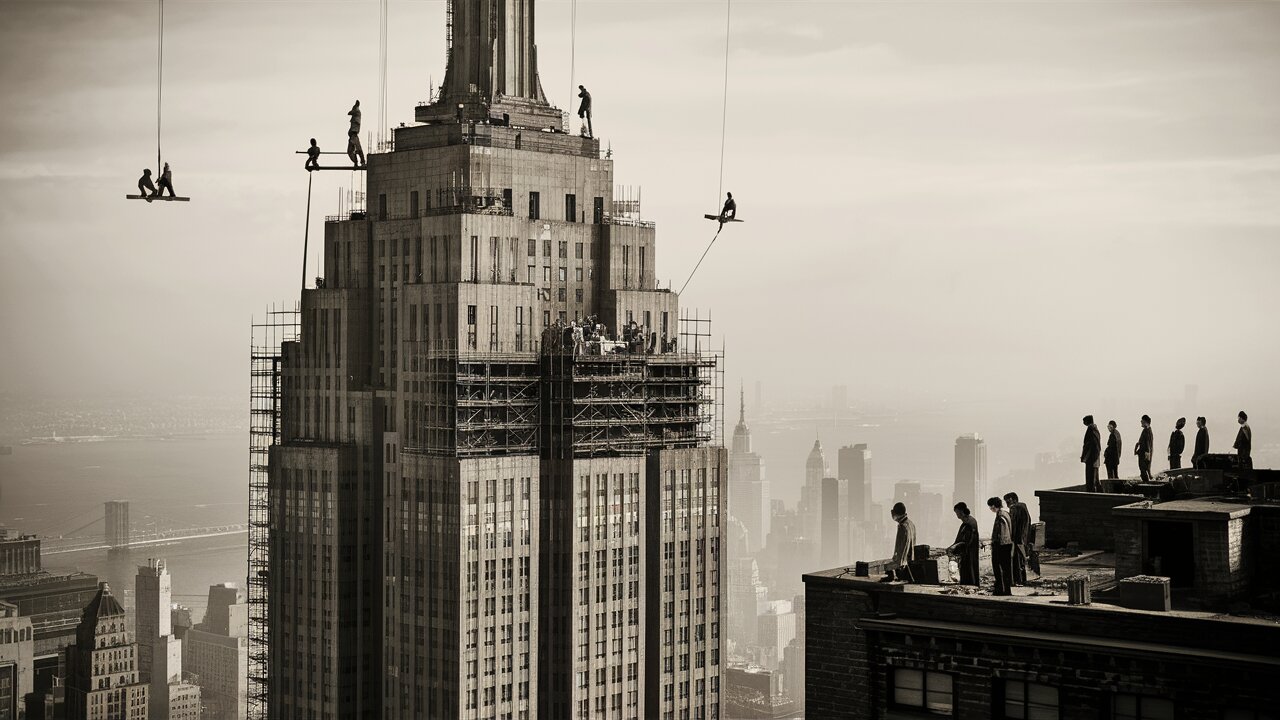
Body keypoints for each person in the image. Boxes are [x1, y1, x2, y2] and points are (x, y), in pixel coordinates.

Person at [948, 502, 980, 586]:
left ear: (961, 511)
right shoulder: (965, 523)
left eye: (957, 512)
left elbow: (968, 540)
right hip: (965, 552)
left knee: (970, 569)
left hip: (969, 551)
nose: (956, 515)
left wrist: (955, 546)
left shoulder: (970, 522)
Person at [988, 497, 1013, 596]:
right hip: (1006, 545)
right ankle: (1005, 590)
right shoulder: (1005, 513)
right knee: (1005, 569)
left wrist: (996, 544)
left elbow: (1003, 533)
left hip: (1002, 545)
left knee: (999, 568)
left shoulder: (1001, 516)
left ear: (994, 506)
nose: (990, 509)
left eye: (990, 507)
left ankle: (1001, 590)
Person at [1004, 492, 1031, 586]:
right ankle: (1022, 579)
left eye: (1007, 501)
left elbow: (1013, 524)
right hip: (1023, 538)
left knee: (1016, 560)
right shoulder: (1023, 506)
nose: (1006, 503)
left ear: (1012, 499)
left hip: (1016, 538)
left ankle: (1017, 580)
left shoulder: (1015, 508)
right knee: (1021, 559)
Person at [886, 502, 916, 583]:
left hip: (904, 568)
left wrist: (892, 566)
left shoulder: (903, 527)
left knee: (886, 567)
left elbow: (902, 551)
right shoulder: (910, 523)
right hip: (911, 564)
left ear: (895, 513)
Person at [1080, 415, 1102, 492]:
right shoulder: (1095, 429)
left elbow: (1088, 445)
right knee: (1095, 476)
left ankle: (1091, 491)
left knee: (1090, 476)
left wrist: (1084, 456)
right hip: (1095, 456)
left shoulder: (1090, 429)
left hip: (1091, 457)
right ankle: (1097, 490)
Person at [1135, 415, 1154, 482]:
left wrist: (1148, 455)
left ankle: (1146, 482)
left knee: (1144, 469)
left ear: (1145, 422)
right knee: (1143, 469)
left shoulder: (1147, 431)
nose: (1141, 422)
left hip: (1145, 454)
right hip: (1143, 453)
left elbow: (1149, 444)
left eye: (1142, 421)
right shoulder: (1146, 430)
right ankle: (1146, 480)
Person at [347, 100, 365, 167]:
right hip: (352, 136)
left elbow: (349, 113)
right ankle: (356, 162)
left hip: (354, 136)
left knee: (358, 149)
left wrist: (354, 108)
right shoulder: (356, 113)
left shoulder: (357, 112)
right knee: (350, 151)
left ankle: (362, 162)